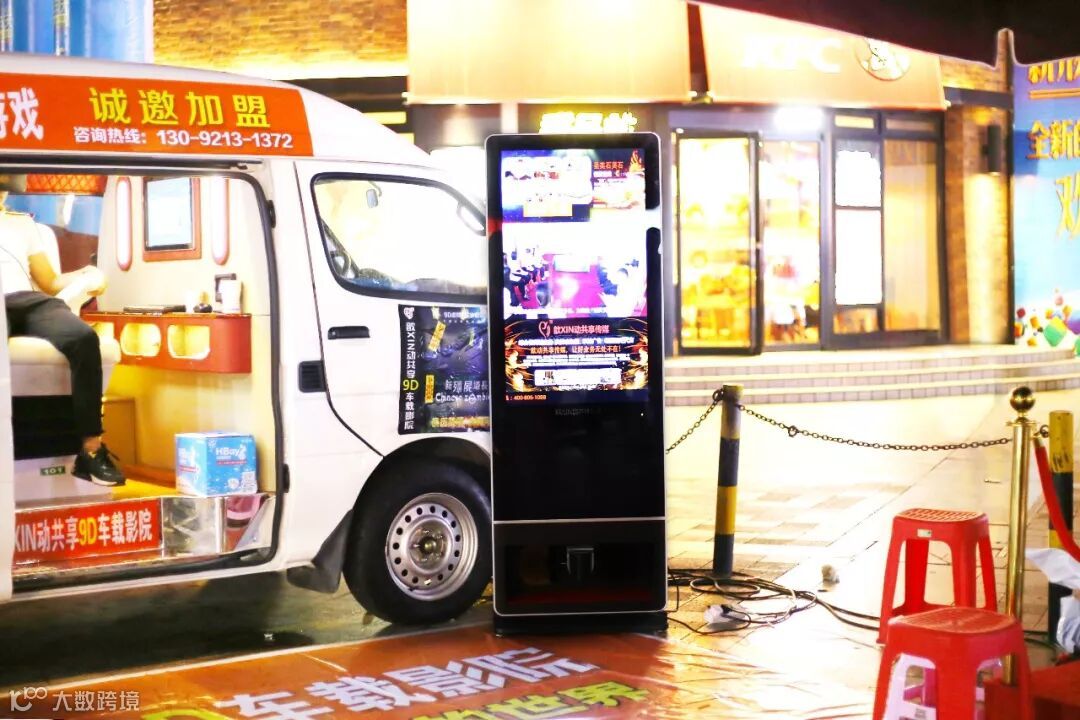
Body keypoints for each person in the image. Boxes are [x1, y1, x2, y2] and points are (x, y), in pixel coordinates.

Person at [0, 185, 124, 486]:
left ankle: (91, 451)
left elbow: (50, 282)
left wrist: (87, 275)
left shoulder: (22, 224)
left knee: (83, 338)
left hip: (29, 301)